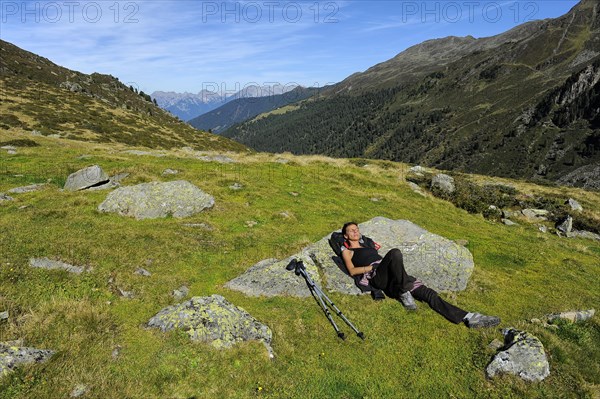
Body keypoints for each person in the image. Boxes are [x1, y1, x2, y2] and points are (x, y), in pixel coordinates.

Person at [340, 222, 500, 328]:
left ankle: (468, 317)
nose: (356, 231)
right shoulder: (348, 251)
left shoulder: (368, 245)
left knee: (430, 294)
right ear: (346, 236)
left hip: (394, 276)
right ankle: (404, 290)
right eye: (351, 230)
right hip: (377, 276)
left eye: (357, 229)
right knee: (395, 252)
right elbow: (353, 271)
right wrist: (370, 267)